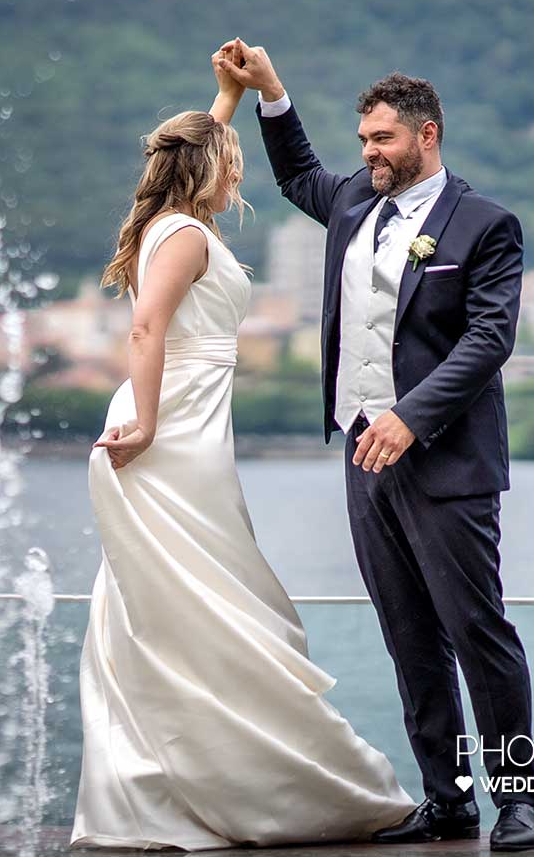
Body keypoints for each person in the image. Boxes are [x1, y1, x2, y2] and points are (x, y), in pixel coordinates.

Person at [69, 53, 418, 849]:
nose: (239, 176)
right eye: (230, 164)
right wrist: (147, 425)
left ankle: (174, 781)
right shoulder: (185, 236)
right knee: (206, 600)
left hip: (189, 424)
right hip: (170, 429)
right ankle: (221, 786)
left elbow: (199, 149)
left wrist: (228, 98)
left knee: (185, 601)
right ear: (207, 170)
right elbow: (146, 330)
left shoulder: (173, 224)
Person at [212, 39, 534, 851]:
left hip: (447, 463)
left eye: (383, 138)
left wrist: (411, 416)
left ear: (427, 135)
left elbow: (489, 338)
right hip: (364, 461)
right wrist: (271, 91)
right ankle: (449, 799)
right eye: (363, 139)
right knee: (409, 637)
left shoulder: (485, 225)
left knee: (477, 632)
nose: (369, 153)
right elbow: (298, 174)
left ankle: (518, 801)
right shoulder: (357, 201)